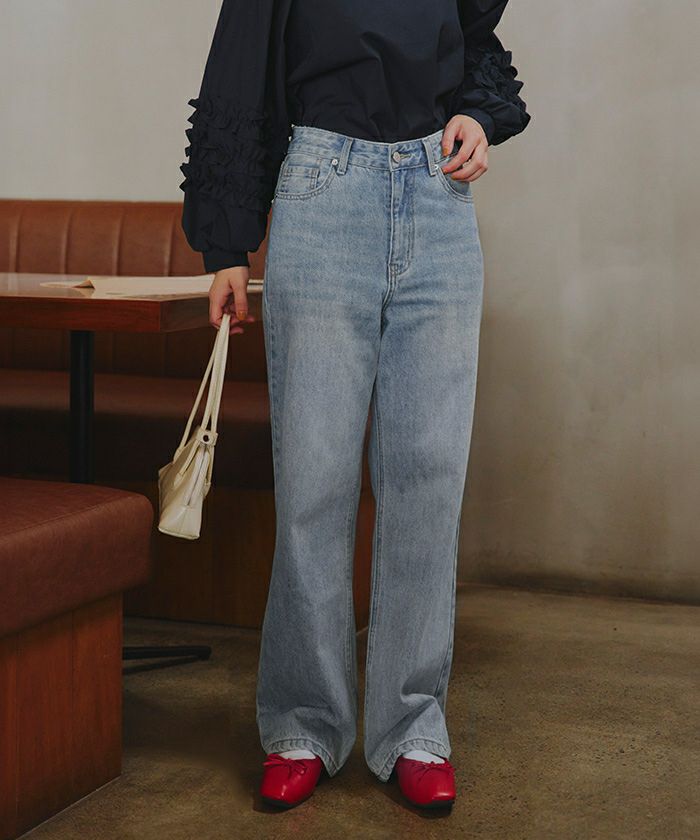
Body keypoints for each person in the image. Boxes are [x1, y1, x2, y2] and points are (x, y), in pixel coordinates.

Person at [180, 0, 530, 811]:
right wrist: (227, 248)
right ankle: (303, 724)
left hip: (437, 197)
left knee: (428, 480)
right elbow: (238, 70)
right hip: (322, 191)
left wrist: (477, 118)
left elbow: (474, 45)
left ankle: (413, 729)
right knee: (314, 479)